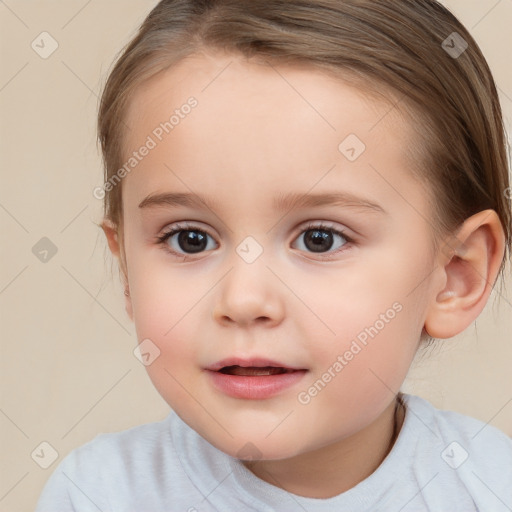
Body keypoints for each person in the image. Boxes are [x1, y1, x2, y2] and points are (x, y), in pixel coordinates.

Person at [36, 0, 512, 510]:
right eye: (189, 239)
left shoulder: (493, 487)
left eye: (320, 239)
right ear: (127, 269)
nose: (243, 299)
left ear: (455, 275)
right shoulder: (97, 495)